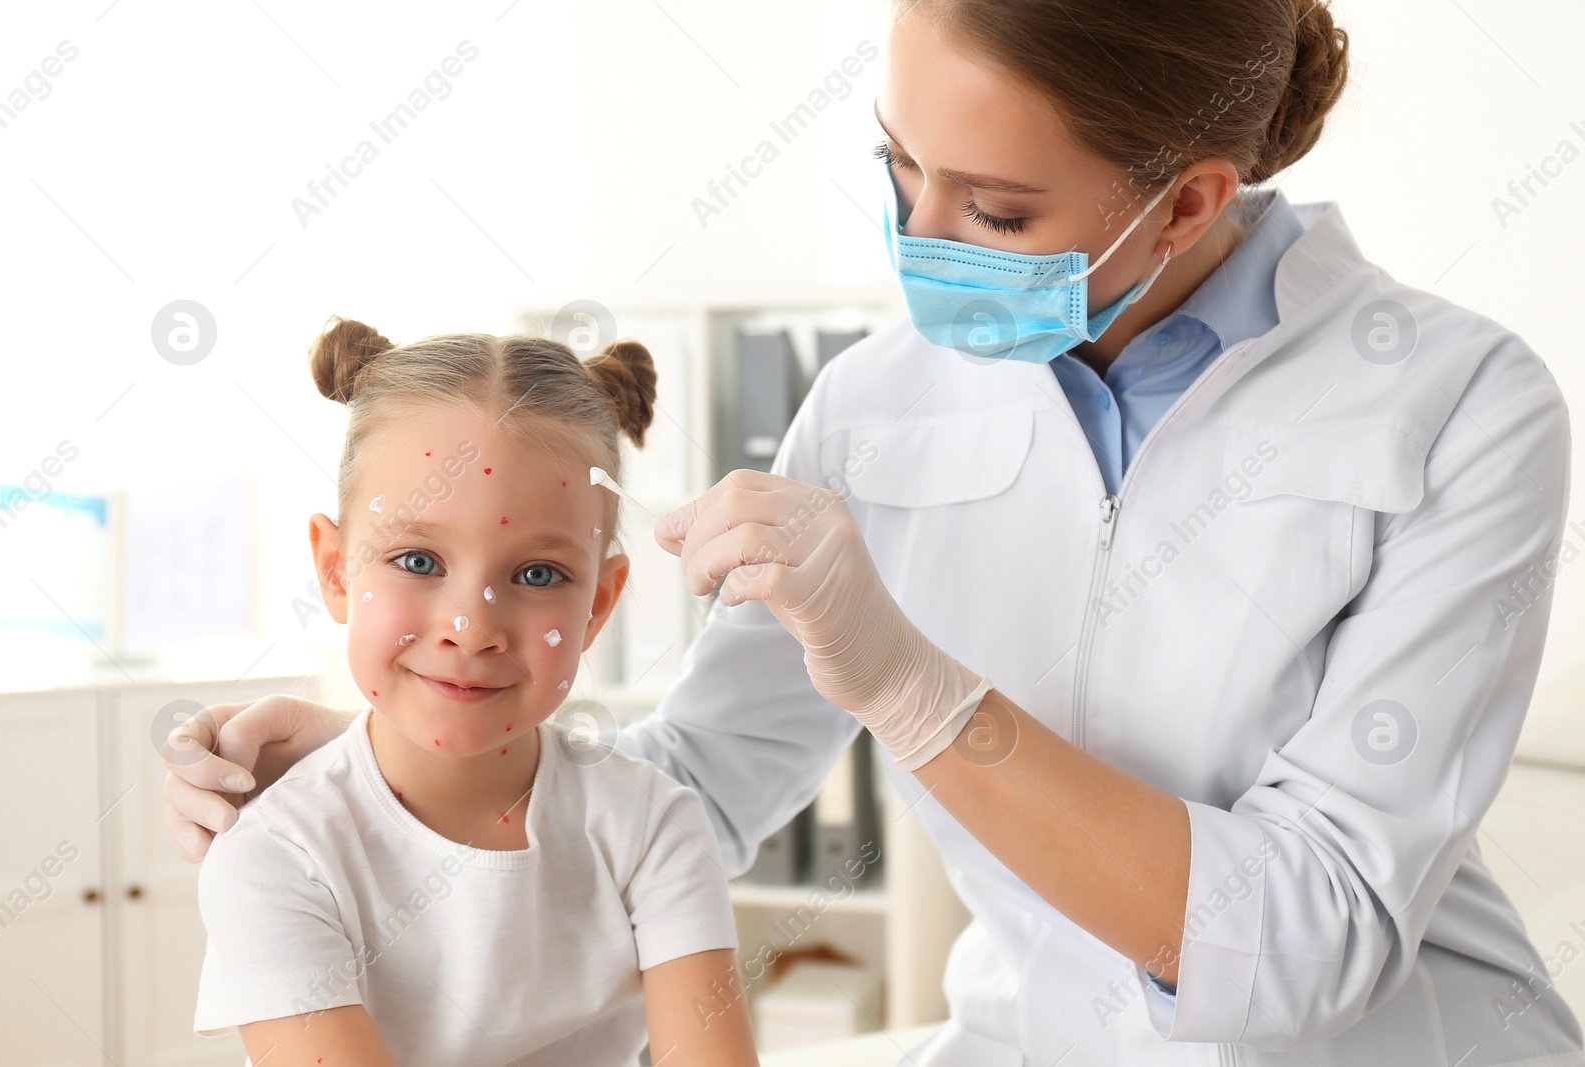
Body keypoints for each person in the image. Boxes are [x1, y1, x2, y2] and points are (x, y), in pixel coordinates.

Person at [166, 2, 1584, 1064]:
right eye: (902, 167)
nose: (922, 234)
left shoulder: (1456, 402)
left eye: (998, 207)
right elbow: (689, 790)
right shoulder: (877, 403)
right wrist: (403, 766)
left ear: (1193, 199)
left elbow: (1307, 946)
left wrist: (915, 689)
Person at [188, 317, 758, 1067]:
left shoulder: (652, 826)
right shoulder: (275, 856)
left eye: (537, 574)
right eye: (418, 559)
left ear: (597, 605)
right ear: (334, 571)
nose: (470, 626)